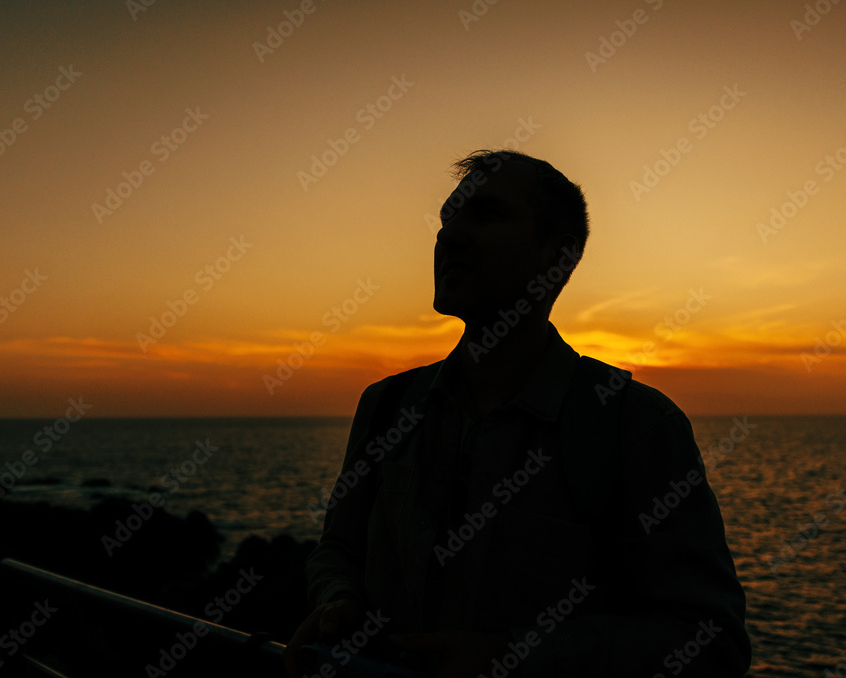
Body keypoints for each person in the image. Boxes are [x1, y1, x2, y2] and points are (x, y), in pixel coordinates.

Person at [285, 149, 751, 677]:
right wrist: (337, 602)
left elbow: (712, 642)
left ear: (558, 255)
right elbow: (339, 549)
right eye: (447, 217)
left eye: (484, 214)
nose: (449, 236)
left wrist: (513, 656)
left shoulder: (635, 427)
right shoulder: (387, 406)